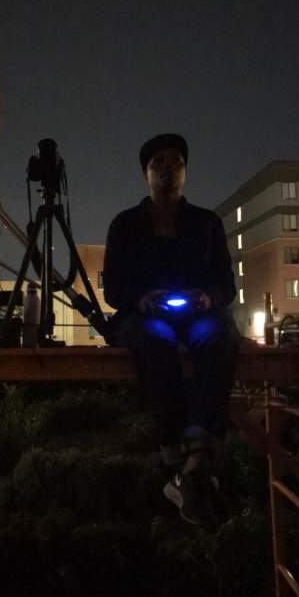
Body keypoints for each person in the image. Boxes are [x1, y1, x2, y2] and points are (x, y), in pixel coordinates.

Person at [103, 133, 241, 527]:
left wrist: (206, 299)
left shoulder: (207, 223)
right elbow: (113, 287)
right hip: (146, 314)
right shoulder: (126, 225)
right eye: (157, 162)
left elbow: (226, 283)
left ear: (186, 170)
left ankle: (193, 456)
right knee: (153, 342)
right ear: (145, 174)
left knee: (221, 337)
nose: (166, 168)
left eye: (175, 161)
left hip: (197, 313)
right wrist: (143, 299)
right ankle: (179, 457)